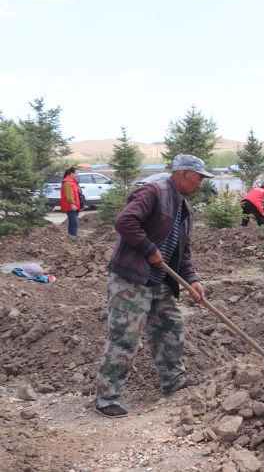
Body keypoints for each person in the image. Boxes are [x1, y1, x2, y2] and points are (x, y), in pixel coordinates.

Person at [93, 154, 213, 418]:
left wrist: (192, 279)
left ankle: (173, 383)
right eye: (199, 177)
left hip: (159, 281)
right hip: (131, 278)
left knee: (171, 326)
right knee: (125, 335)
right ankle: (106, 397)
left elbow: (184, 251)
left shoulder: (185, 209)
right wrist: (148, 248)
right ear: (182, 173)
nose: (201, 183)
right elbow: (124, 221)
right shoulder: (154, 191)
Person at [60, 167, 81, 236]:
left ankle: (71, 236)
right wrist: (72, 204)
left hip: (75, 206)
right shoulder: (67, 183)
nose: (77, 175)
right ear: (71, 173)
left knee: (73, 222)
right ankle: (73, 236)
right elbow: (69, 195)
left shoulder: (73, 182)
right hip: (70, 206)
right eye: (76, 173)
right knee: (74, 222)